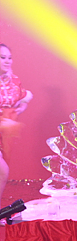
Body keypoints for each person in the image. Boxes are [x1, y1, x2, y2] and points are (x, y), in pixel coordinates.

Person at [0, 43, 32, 206]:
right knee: (2, 171)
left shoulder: (14, 81)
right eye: (2, 57)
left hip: (4, 135)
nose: (7, 61)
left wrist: (23, 104)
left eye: (9, 58)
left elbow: (24, 96)